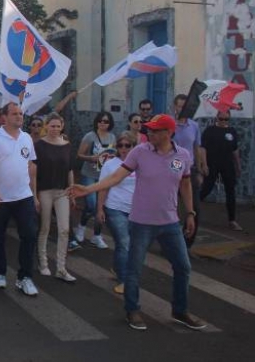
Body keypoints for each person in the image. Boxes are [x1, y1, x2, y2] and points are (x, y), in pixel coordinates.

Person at [69, 114, 205, 331]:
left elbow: (185, 184)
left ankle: (180, 310)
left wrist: (190, 213)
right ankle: (132, 309)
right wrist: (88, 189)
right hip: (142, 222)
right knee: (134, 269)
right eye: (148, 129)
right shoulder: (140, 152)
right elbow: (116, 177)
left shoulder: (183, 155)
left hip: (170, 222)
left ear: (169, 133)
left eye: (154, 130)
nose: (149, 133)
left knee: (183, 266)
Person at [0, 102, 40, 297]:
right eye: (14, 113)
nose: (19, 116)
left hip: (24, 196)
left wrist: (34, 194)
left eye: (21, 113)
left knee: (29, 235)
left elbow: (31, 166)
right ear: (4, 117)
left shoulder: (26, 138)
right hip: (0, 197)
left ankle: (25, 277)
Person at [33, 113, 76, 283]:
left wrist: (72, 190)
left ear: (62, 126)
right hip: (45, 190)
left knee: (64, 229)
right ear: (46, 126)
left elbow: (70, 169)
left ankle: (61, 268)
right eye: (52, 126)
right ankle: (43, 263)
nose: (55, 129)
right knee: (44, 227)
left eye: (58, 126)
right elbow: (33, 172)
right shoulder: (39, 145)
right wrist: (35, 195)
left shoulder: (67, 145)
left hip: (62, 191)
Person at [96, 131, 137, 295]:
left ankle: (117, 267)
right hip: (115, 208)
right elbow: (103, 187)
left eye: (127, 145)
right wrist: (99, 209)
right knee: (124, 242)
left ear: (134, 146)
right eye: (120, 145)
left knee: (126, 244)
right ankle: (123, 279)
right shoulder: (110, 164)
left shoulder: (140, 163)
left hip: (136, 210)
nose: (124, 149)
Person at [74, 111, 115, 250]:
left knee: (100, 206)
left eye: (106, 121)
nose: (103, 123)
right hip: (89, 174)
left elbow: (114, 153)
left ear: (110, 123)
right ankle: (81, 227)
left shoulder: (112, 137)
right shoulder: (90, 136)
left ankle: (97, 235)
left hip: (104, 175)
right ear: (96, 122)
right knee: (91, 204)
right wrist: (91, 158)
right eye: (100, 121)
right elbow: (79, 154)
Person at [172, 94, 206, 246]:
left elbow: (196, 148)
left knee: (194, 209)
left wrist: (199, 170)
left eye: (184, 106)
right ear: (175, 107)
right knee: (171, 208)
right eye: (179, 106)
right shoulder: (169, 125)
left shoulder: (194, 126)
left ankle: (186, 244)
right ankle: (170, 243)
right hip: (172, 169)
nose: (182, 109)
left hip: (189, 170)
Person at [200, 111, 242, 231]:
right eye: (221, 119)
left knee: (230, 191)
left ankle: (232, 220)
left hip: (227, 165)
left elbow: (235, 150)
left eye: (226, 119)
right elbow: (203, 148)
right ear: (216, 118)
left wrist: (238, 166)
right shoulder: (210, 130)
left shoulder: (232, 131)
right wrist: (204, 164)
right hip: (212, 164)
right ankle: (192, 211)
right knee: (206, 189)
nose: (223, 121)